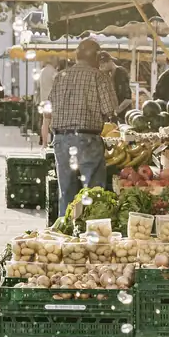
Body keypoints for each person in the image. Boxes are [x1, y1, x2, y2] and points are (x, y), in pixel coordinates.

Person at [51, 37, 122, 216]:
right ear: (97, 58)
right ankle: (92, 232)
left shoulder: (60, 76)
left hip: (60, 138)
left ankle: (65, 232)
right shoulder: (99, 76)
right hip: (87, 139)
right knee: (93, 194)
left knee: (66, 193)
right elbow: (110, 110)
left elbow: (50, 107)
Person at [35, 58, 58, 146]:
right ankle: (53, 141)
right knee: (54, 122)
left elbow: (37, 86)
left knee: (45, 122)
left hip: (44, 100)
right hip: (53, 100)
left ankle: (44, 143)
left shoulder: (41, 72)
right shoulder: (54, 72)